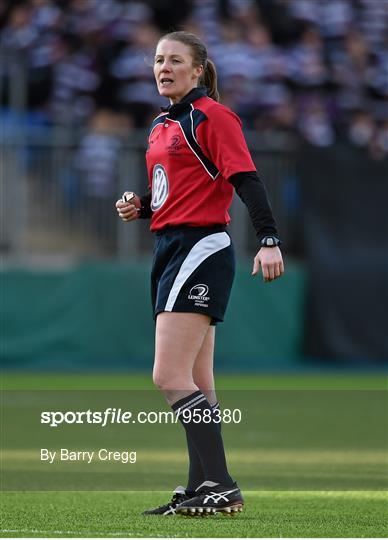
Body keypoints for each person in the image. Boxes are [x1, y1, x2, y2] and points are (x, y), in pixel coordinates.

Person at [116, 31, 284, 516]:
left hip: (201, 246)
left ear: (197, 70)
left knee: (168, 376)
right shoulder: (161, 124)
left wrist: (269, 239)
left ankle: (222, 484)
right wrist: (142, 205)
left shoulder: (213, 114)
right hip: (170, 246)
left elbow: (244, 177)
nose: (163, 67)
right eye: (157, 60)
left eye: (174, 60)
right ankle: (200, 485)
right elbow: (177, 191)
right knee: (196, 377)